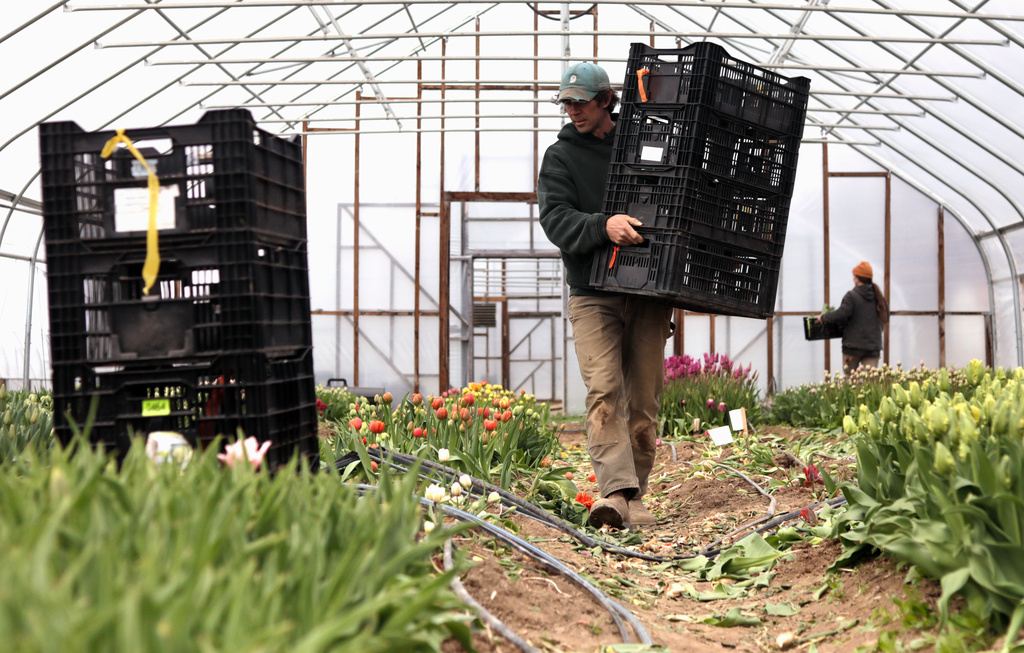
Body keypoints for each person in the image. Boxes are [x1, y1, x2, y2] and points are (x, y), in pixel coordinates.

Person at [537, 62, 673, 530]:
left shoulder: (640, 146)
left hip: (647, 290)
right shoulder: (560, 157)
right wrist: (603, 225)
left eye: (581, 102)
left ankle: (636, 493)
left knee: (645, 400)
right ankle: (615, 493)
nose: (573, 111)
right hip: (593, 292)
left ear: (606, 102)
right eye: (567, 103)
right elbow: (555, 219)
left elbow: (669, 197)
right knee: (604, 392)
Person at [818, 261, 889, 371]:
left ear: (857, 278)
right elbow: (886, 318)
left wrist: (823, 317)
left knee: (849, 381)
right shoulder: (879, 298)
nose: (853, 278)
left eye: (854, 276)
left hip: (852, 348)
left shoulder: (852, 296)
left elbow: (841, 314)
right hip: (873, 348)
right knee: (870, 384)